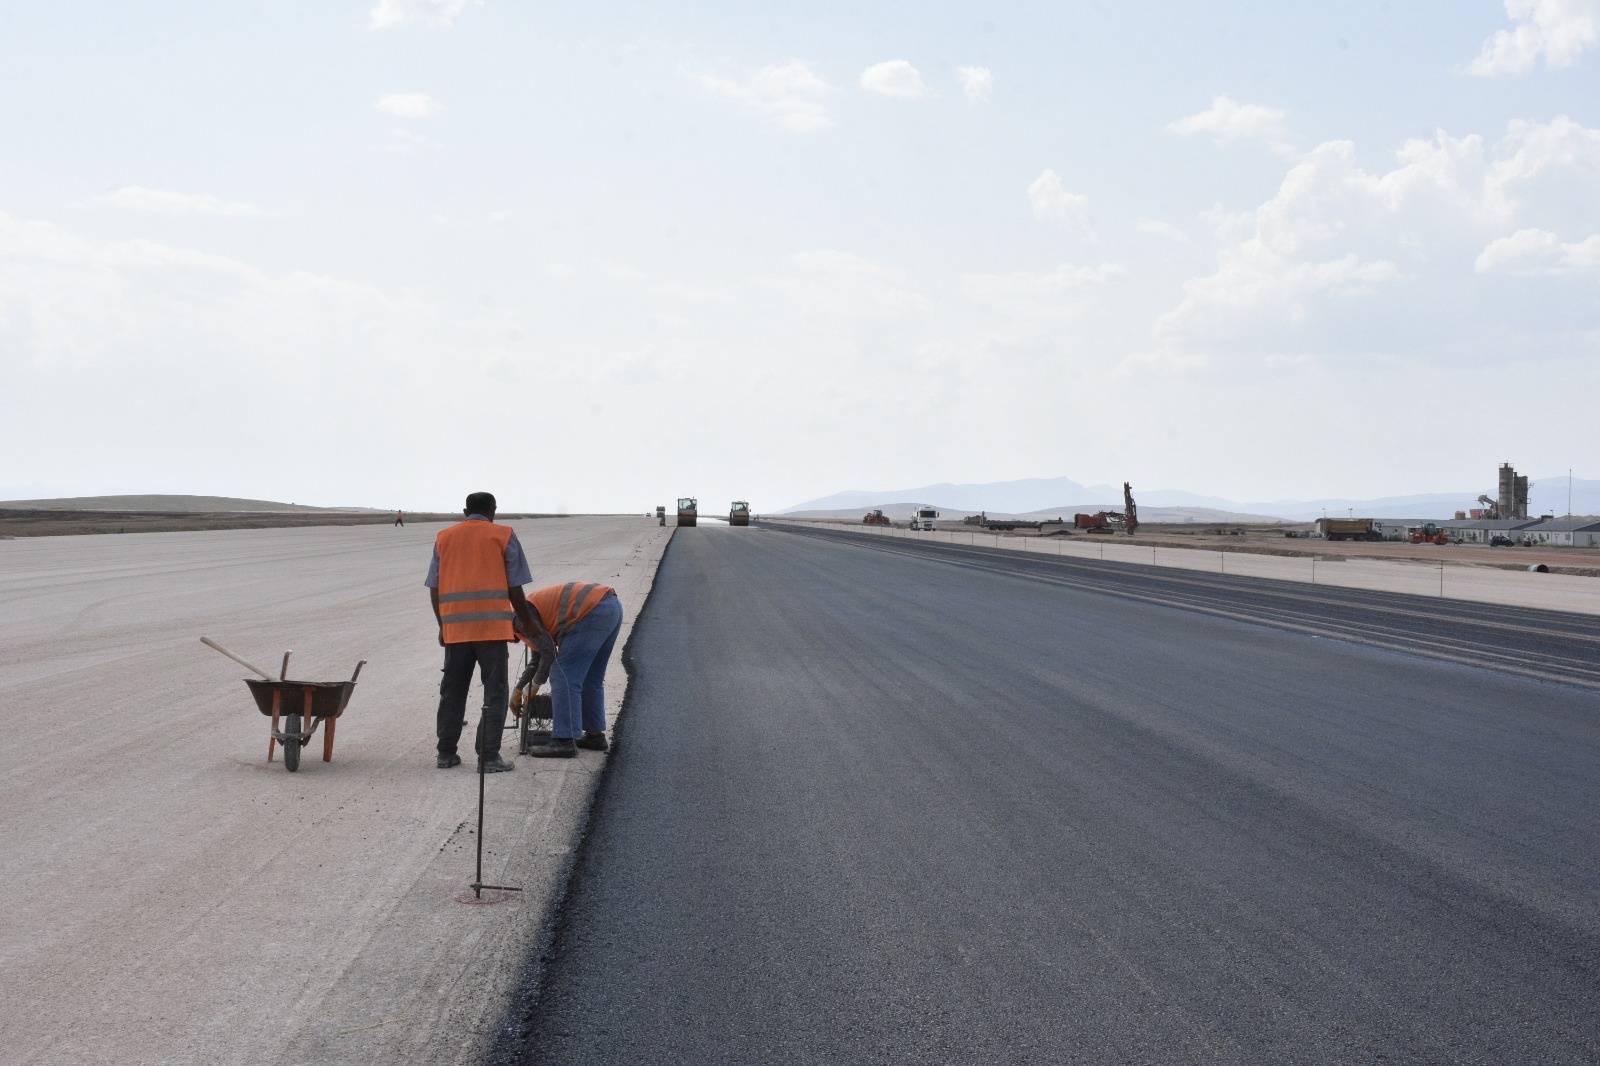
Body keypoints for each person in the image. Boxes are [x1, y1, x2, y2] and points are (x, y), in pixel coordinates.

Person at [425, 492, 553, 771]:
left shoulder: (444, 537)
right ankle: (488, 757)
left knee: (452, 691)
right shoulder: (503, 535)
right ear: (493, 511)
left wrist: (442, 625)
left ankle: (445, 753)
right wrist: (528, 623)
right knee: (495, 692)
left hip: (456, 631)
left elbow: (434, 588)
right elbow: (515, 587)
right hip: (492, 630)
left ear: (464, 511)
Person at [514, 581, 624, 758]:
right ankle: (595, 736)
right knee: (590, 677)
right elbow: (539, 656)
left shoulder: (518, 619)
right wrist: (518, 689)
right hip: (610, 607)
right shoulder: (525, 613)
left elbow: (549, 654)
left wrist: (535, 684)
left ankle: (564, 740)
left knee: (562, 674)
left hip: (591, 611)